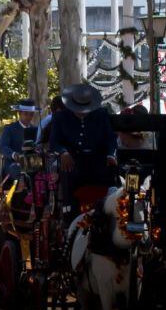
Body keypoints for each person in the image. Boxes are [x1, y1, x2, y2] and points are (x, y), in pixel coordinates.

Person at [49, 84, 117, 216]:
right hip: (72, 160)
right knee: (68, 170)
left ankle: (108, 212)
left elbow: (110, 138)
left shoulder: (101, 114)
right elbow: (54, 142)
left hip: (98, 158)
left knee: (110, 174)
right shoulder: (60, 117)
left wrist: (111, 155)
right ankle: (70, 214)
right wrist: (63, 152)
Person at [0, 99, 40, 180]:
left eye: (31, 114)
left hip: (32, 163)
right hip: (13, 163)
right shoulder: (9, 129)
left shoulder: (35, 129)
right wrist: (14, 154)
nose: (29, 117)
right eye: (26, 114)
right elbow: (3, 147)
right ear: (19, 113)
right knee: (17, 169)